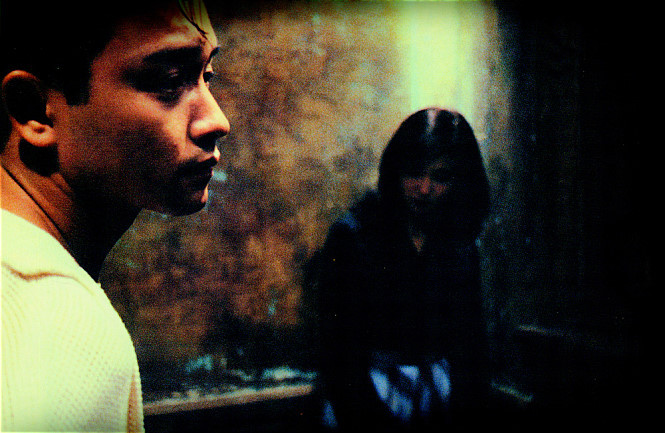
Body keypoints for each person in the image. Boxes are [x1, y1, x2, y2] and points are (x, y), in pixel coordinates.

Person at [0, 1, 229, 431]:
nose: (217, 120)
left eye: (207, 75)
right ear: (35, 110)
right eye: (169, 80)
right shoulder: (58, 322)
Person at [315, 108, 492, 432]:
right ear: (395, 170)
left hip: (440, 400)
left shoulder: (460, 242)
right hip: (364, 401)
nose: (424, 188)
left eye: (440, 177)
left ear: (460, 180)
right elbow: (340, 359)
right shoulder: (354, 235)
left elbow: (471, 348)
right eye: (413, 172)